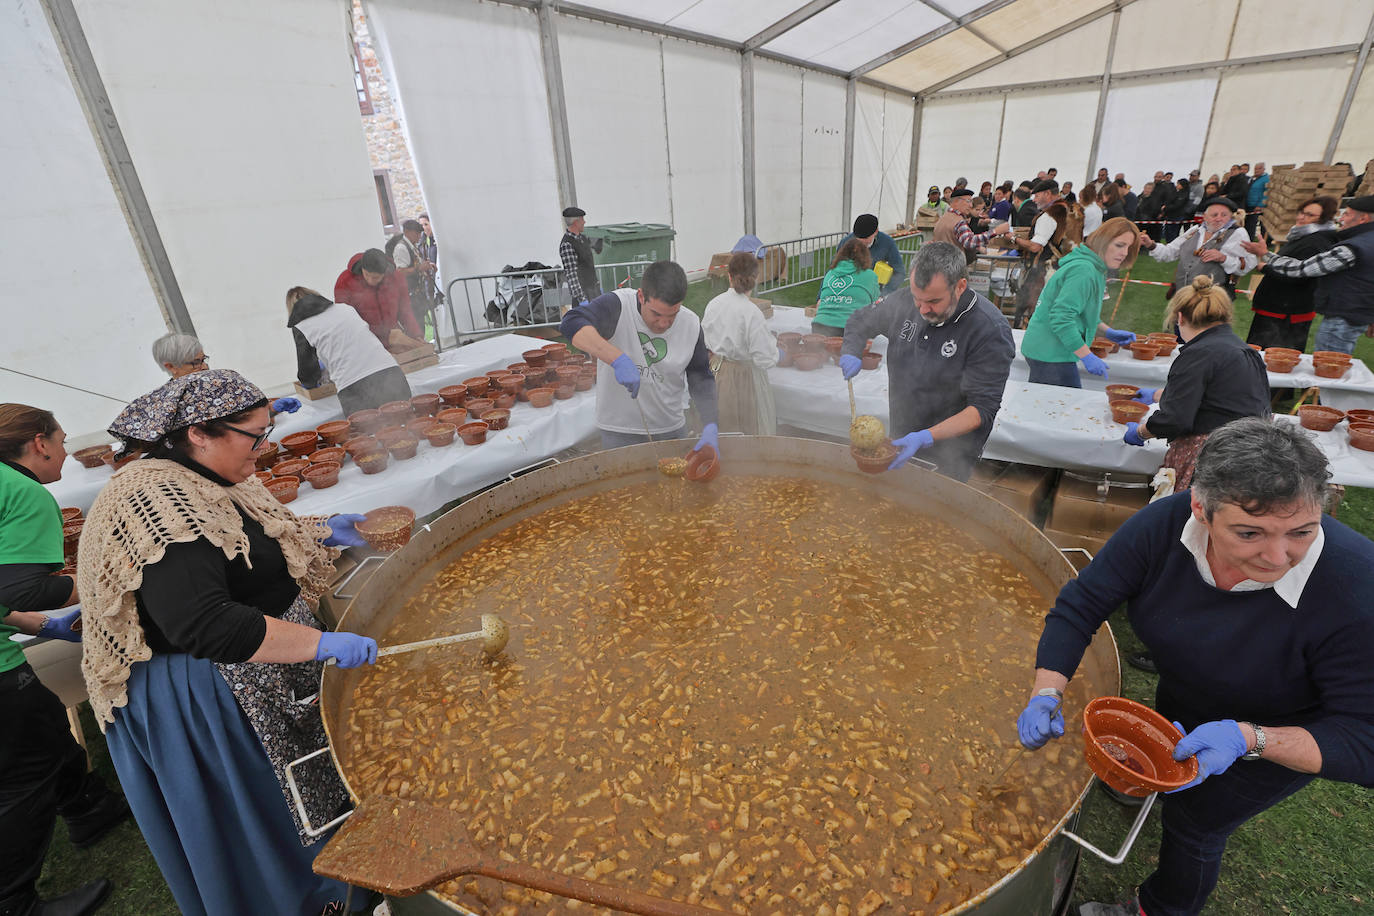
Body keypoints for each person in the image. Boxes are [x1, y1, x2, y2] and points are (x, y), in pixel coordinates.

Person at [1018, 417, 1374, 916]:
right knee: (1173, 768)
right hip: (1189, 693)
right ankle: (1155, 785)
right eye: (1249, 532)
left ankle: (1158, 908)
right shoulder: (1162, 526)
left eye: (1302, 531)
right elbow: (1081, 605)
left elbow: (1364, 740)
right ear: (1200, 510)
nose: (1277, 557)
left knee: (1197, 823)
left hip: (1281, 731)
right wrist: (1046, 692)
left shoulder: (1356, 588)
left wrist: (1251, 738)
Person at [78, 370, 379, 916]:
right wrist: (319, 645)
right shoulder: (155, 499)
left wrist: (321, 530)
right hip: (208, 692)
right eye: (255, 436)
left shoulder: (212, 471)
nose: (263, 450)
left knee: (311, 784)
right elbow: (206, 624)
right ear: (198, 433)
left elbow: (247, 541)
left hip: (259, 661)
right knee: (269, 812)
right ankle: (309, 902)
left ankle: (351, 884)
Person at [1, 404, 129, 916]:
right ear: (39, 443)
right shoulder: (25, 492)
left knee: (43, 725)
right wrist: (100, 582)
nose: (66, 448)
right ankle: (13, 902)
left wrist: (29, 624)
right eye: (62, 438)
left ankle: (89, 807)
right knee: (22, 775)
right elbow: (24, 585)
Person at [837, 242, 1014, 481]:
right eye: (916, 298)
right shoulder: (903, 302)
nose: (922, 309)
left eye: (933, 301)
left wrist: (925, 437)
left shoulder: (989, 330)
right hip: (901, 434)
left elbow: (981, 409)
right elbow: (860, 321)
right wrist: (851, 349)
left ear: (960, 286)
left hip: (951, 452)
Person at [1124, 276, 1271, 489]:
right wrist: (1159, 394)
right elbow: (1217, 396)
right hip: (1255, 452)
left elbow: (1174, 419)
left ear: (1180, 318)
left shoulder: (1197, 354)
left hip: (1215, 457)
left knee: (1194, 517)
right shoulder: (1245, 351)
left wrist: (1140, 433)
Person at [559, 261, 719, 455]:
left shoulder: (690, 324)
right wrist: (617, 359)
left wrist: (711, 424)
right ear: (641, 296)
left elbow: (700, 377)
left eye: (672, 315)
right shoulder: (618, 305)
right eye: (656, 314)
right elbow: (571, 322)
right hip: (619, 431)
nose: (663, 324)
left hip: (671, 428)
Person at [1020, 218, 1141, 387]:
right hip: (1050, 352)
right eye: (1119, 245)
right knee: (1060, 409)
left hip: (1052, 350)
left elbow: (1082, 314)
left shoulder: (1094, 268)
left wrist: (1108, 332)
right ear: (1102, 242)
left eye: (1129, 247)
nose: (1125, 253)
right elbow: (1062, 317)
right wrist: (1087, 356)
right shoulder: (1084, 271)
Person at [1255, 195, 1374, 355]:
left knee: (1328, 366)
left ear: (1363, 218)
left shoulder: (1353, 247)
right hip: (1354, 315)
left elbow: (1302, 269)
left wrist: (1266, 256)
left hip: (1342, 317)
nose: (1341, 218)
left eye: (1347, 214)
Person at [286, 287, 413, 417]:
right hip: (390, 372)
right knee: (409, 425)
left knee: (368, 435)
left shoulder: (301, 326)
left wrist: (311, 383)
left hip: (354, 386)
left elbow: (307, 374)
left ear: (292, 311)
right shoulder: (345, 308)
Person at [1238, 196, 1339, 351]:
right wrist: (1266, 256)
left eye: (1309, 215)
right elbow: (1287, 263)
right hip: (1278, 308)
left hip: (1287, 313)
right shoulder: (1304, 236)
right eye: (1301, 212)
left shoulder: (1316, 242)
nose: (1301, 217)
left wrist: (1265, 267)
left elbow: (1298, 276)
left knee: (1276, 358)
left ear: (1324, 219)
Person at [700, 253, 777, 436]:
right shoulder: (751, 313)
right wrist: (776, 351)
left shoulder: (714, 304)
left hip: (716, 373)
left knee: (723, 430)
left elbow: (705, 339)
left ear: (729, 276)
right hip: (744, 379)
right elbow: (765, 359)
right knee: (748, 433)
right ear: (756, 278)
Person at [150, 333, 300, 416]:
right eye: (196, 362)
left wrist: (270, 409)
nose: (204, 367)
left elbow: (245, 417)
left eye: (204, 359)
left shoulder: (219, 384)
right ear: (171, 367)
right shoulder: (167, 406)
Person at [1139, 197, 1259, 300]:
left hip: (1212, 300)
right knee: (1179, 326)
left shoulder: (1237, 234)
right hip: (1183, 296)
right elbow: (1169, 252)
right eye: (1214, 215)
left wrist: (1223, 258)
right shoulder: (1195, 230)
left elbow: (1247, 265)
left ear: (1230, 217)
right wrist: (1150, 244)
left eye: (1224, 215)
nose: (1218, 218)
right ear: (1205, 217)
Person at [333, 248, 425, 348]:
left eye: (376, 277)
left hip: (394, 341)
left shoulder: (396, 278)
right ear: (362, 268)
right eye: (367, 275)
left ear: (385, 272)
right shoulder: (345, 281)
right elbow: (346, 320)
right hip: (364, 343)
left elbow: (405, 311)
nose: (370, 280)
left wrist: (416, 335)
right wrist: (383, 335)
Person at [1011, 180, 1067, 328]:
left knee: (1034, 310)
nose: (1034, 200)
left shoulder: (1049, 215)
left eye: (1036, 196)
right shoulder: (1069, 210)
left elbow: (1035, 246)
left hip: (1045, 272)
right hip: (1063, 268)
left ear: (1047, 194)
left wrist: (1013, 238)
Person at [812, 238, 881, 338]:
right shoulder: (870, 275)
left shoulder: (830, 273)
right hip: (853, 330)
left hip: (819, 327)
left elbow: (820, 302)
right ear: (866, 256)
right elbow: (876, 304)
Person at [933, 189, 1011, 265]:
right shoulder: (958, 221)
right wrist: (995, 231)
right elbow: (970, 242)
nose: (970, 205)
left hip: (939, 265)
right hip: (953, 267)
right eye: (968, 201)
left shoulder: (943, 218)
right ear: (957, 201)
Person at [386, 219, 437, 333]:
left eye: (420, 233)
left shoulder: (411, 246)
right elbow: (400, 271)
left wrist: (427, 266)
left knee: (420, 327)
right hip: (409, 296)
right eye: (417, 233)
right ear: (407, 232)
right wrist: (419, 268)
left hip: (416, 294)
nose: (419, 236)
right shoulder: (401, 248)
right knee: (415, 329)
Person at [840, 214, 905, 295]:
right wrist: (820, 298)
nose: (862, 243)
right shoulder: (845, 242)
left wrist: (884, 294)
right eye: (858, 239)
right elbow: (832, 270)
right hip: (848, 290)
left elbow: (899, 271)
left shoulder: (887, 243)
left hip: (873, 293)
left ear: (876, 232)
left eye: (866, 239)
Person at [558, 206, 603, 306]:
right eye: (582, 219)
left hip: (593, 291)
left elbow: (597, 248)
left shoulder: (582, 238)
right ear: (576, 222)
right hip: (583, 296)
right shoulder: (567, 244)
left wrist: (597, 287)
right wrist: (582, 299)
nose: (584, 222)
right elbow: (571, 274)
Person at [1162, 178, 1195, 242]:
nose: (1177, 185)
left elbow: (1177, 205)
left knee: (1173, 233)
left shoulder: (1184, 194)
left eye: (1178, 184)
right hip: (1170, 215)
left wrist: (1166, 208)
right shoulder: (1177, 192)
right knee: (1168, 233)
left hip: (1177, 216)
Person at [1244, 163, 1269, 236]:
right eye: (1255, 168)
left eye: (1259, 168)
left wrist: (1260, 205)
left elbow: (1266, 193)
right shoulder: (1253, 178)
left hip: (1257, 206)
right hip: (1249, 204)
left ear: (1264, 169)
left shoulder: (1266, 179)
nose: (1256, 170)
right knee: (1248, 224)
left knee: (1253, 225)